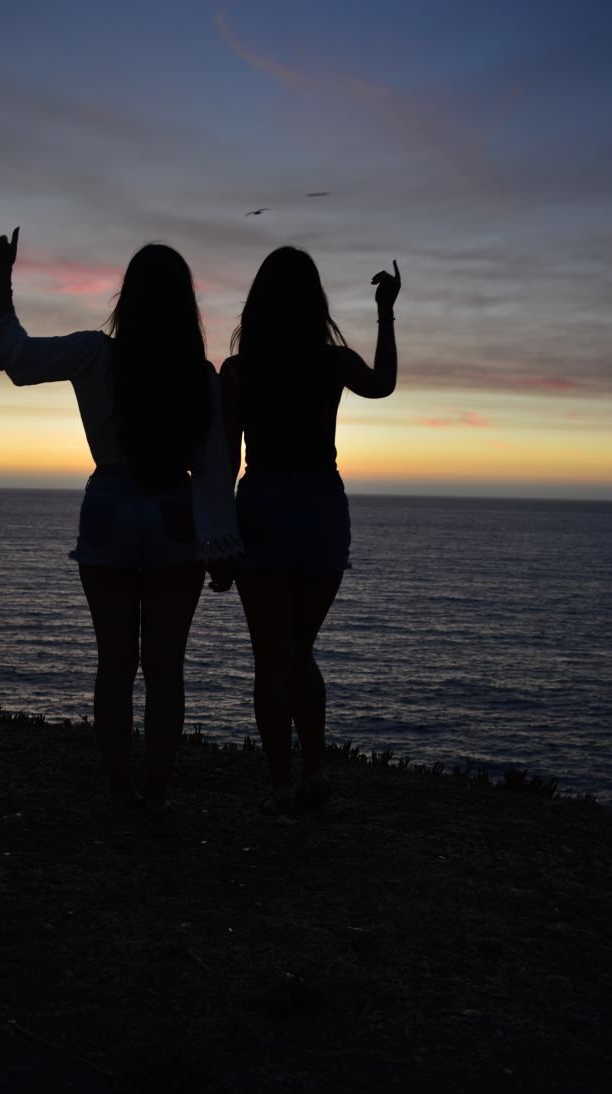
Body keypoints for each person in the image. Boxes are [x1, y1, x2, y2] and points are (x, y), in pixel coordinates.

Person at [0, 229, 239, 813]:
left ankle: (120, 790)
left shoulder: (95, 355)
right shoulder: (202, 376)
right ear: (184, 304)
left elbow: (15, 357)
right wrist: (221, 545)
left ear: (127, 297)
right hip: (175, 511)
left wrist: (1, 275)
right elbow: (215, 468)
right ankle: (158, 794)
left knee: (114, 662)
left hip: (110, 507)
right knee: (165, 669)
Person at [221, 246, 400, 814]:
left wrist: (217, 538)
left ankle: (281, 784)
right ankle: (316, 773)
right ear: (314, 300)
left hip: (264, 506)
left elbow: (226, 464)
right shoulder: (333, 362)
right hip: (322, 507)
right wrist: (386, 312)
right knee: (301, 652)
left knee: (272, 658)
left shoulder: (239, 371)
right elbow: (383, 385)